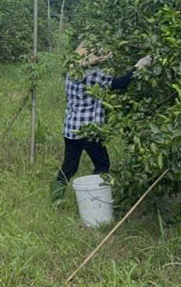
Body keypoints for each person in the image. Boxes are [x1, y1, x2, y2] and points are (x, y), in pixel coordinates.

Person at [50, 44, 151, 202]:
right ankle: (95, 198)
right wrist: (138, 66)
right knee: (102, 164)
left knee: (69, 166)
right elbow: (121, 83)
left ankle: (55, 199)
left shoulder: (71, 73)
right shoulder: (95, 75)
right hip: (90, 130)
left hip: (71, 128)